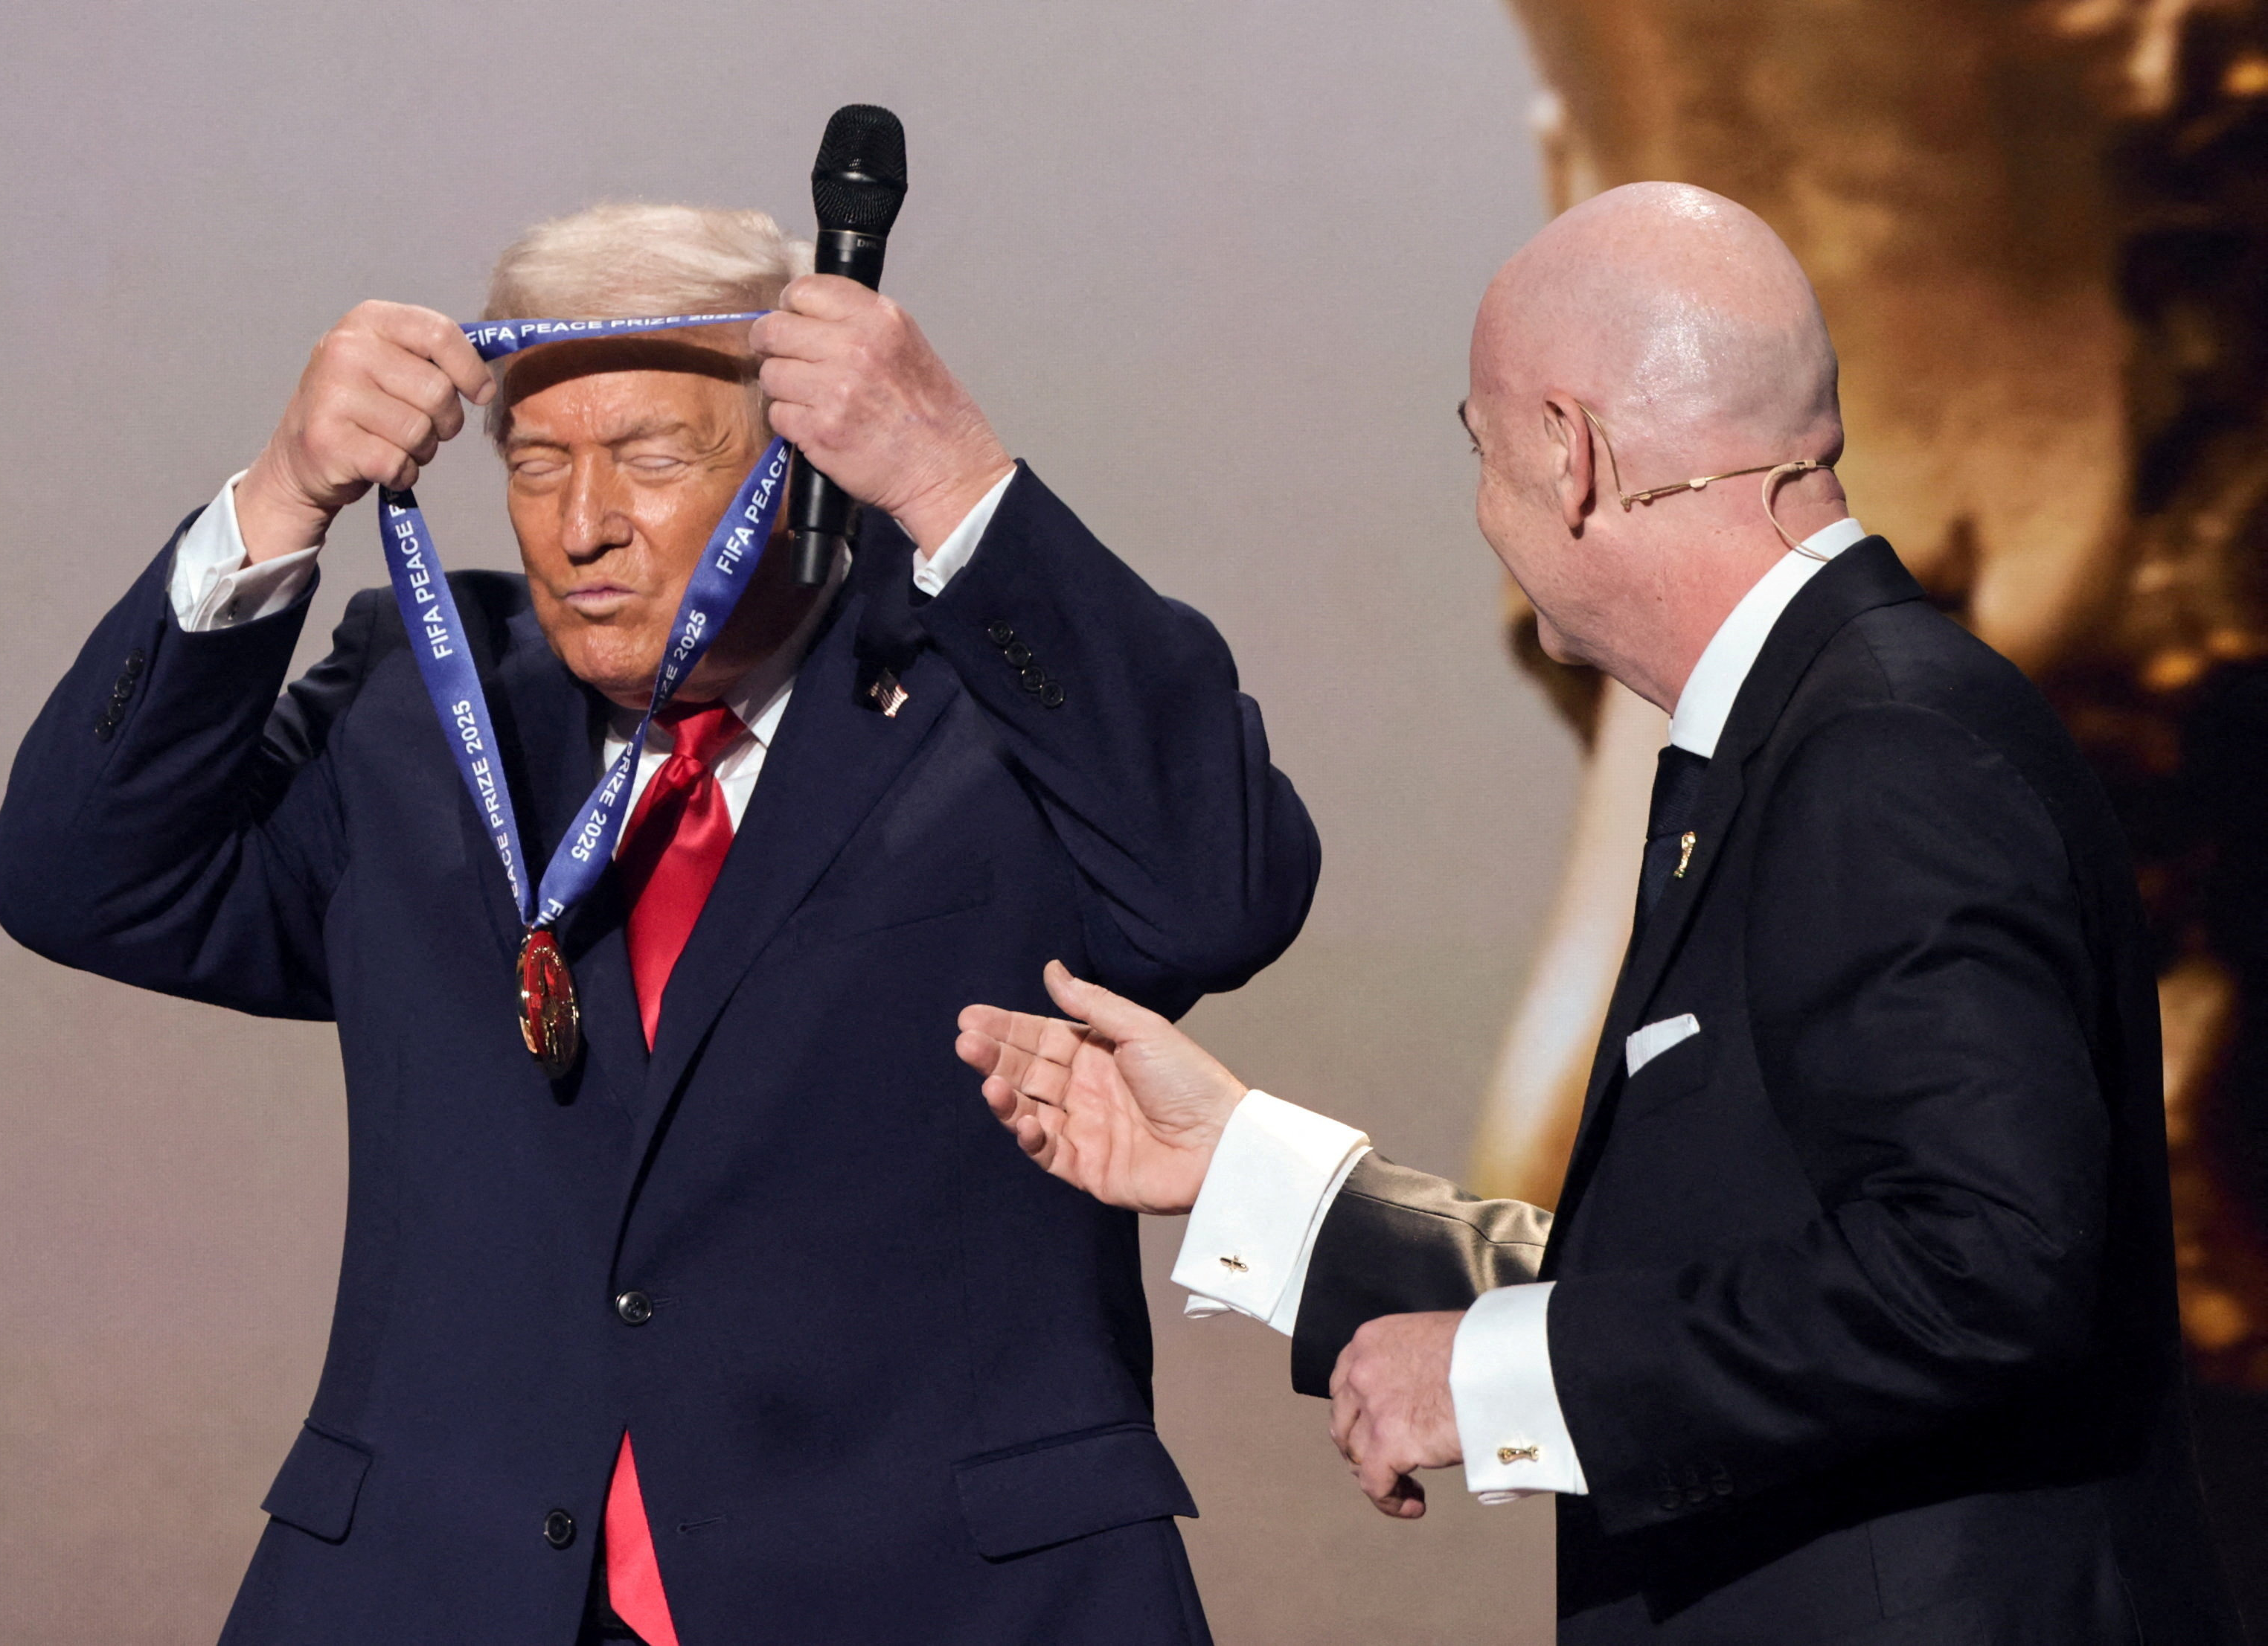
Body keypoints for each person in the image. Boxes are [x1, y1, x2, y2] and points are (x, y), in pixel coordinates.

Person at [0, 201, 1317, 1645]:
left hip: (932, 1594)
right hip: (451, 1587)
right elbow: (77, 872)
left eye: (652, 458)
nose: (581, 525)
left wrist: (946, 476)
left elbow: (1221, 889)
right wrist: (279, 497)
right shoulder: (429, 709)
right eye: (539, 462)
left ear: (801, 459)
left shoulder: (984, 700)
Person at [958, 183, 2242, 1644]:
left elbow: (1982, 1266)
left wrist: (1512, 1381)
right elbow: (1727, 1275)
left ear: (1570, 454)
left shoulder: (1883, 749)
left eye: (1480, 445)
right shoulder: (1812, 732)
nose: (1485, 505)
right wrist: (1250, 1168)